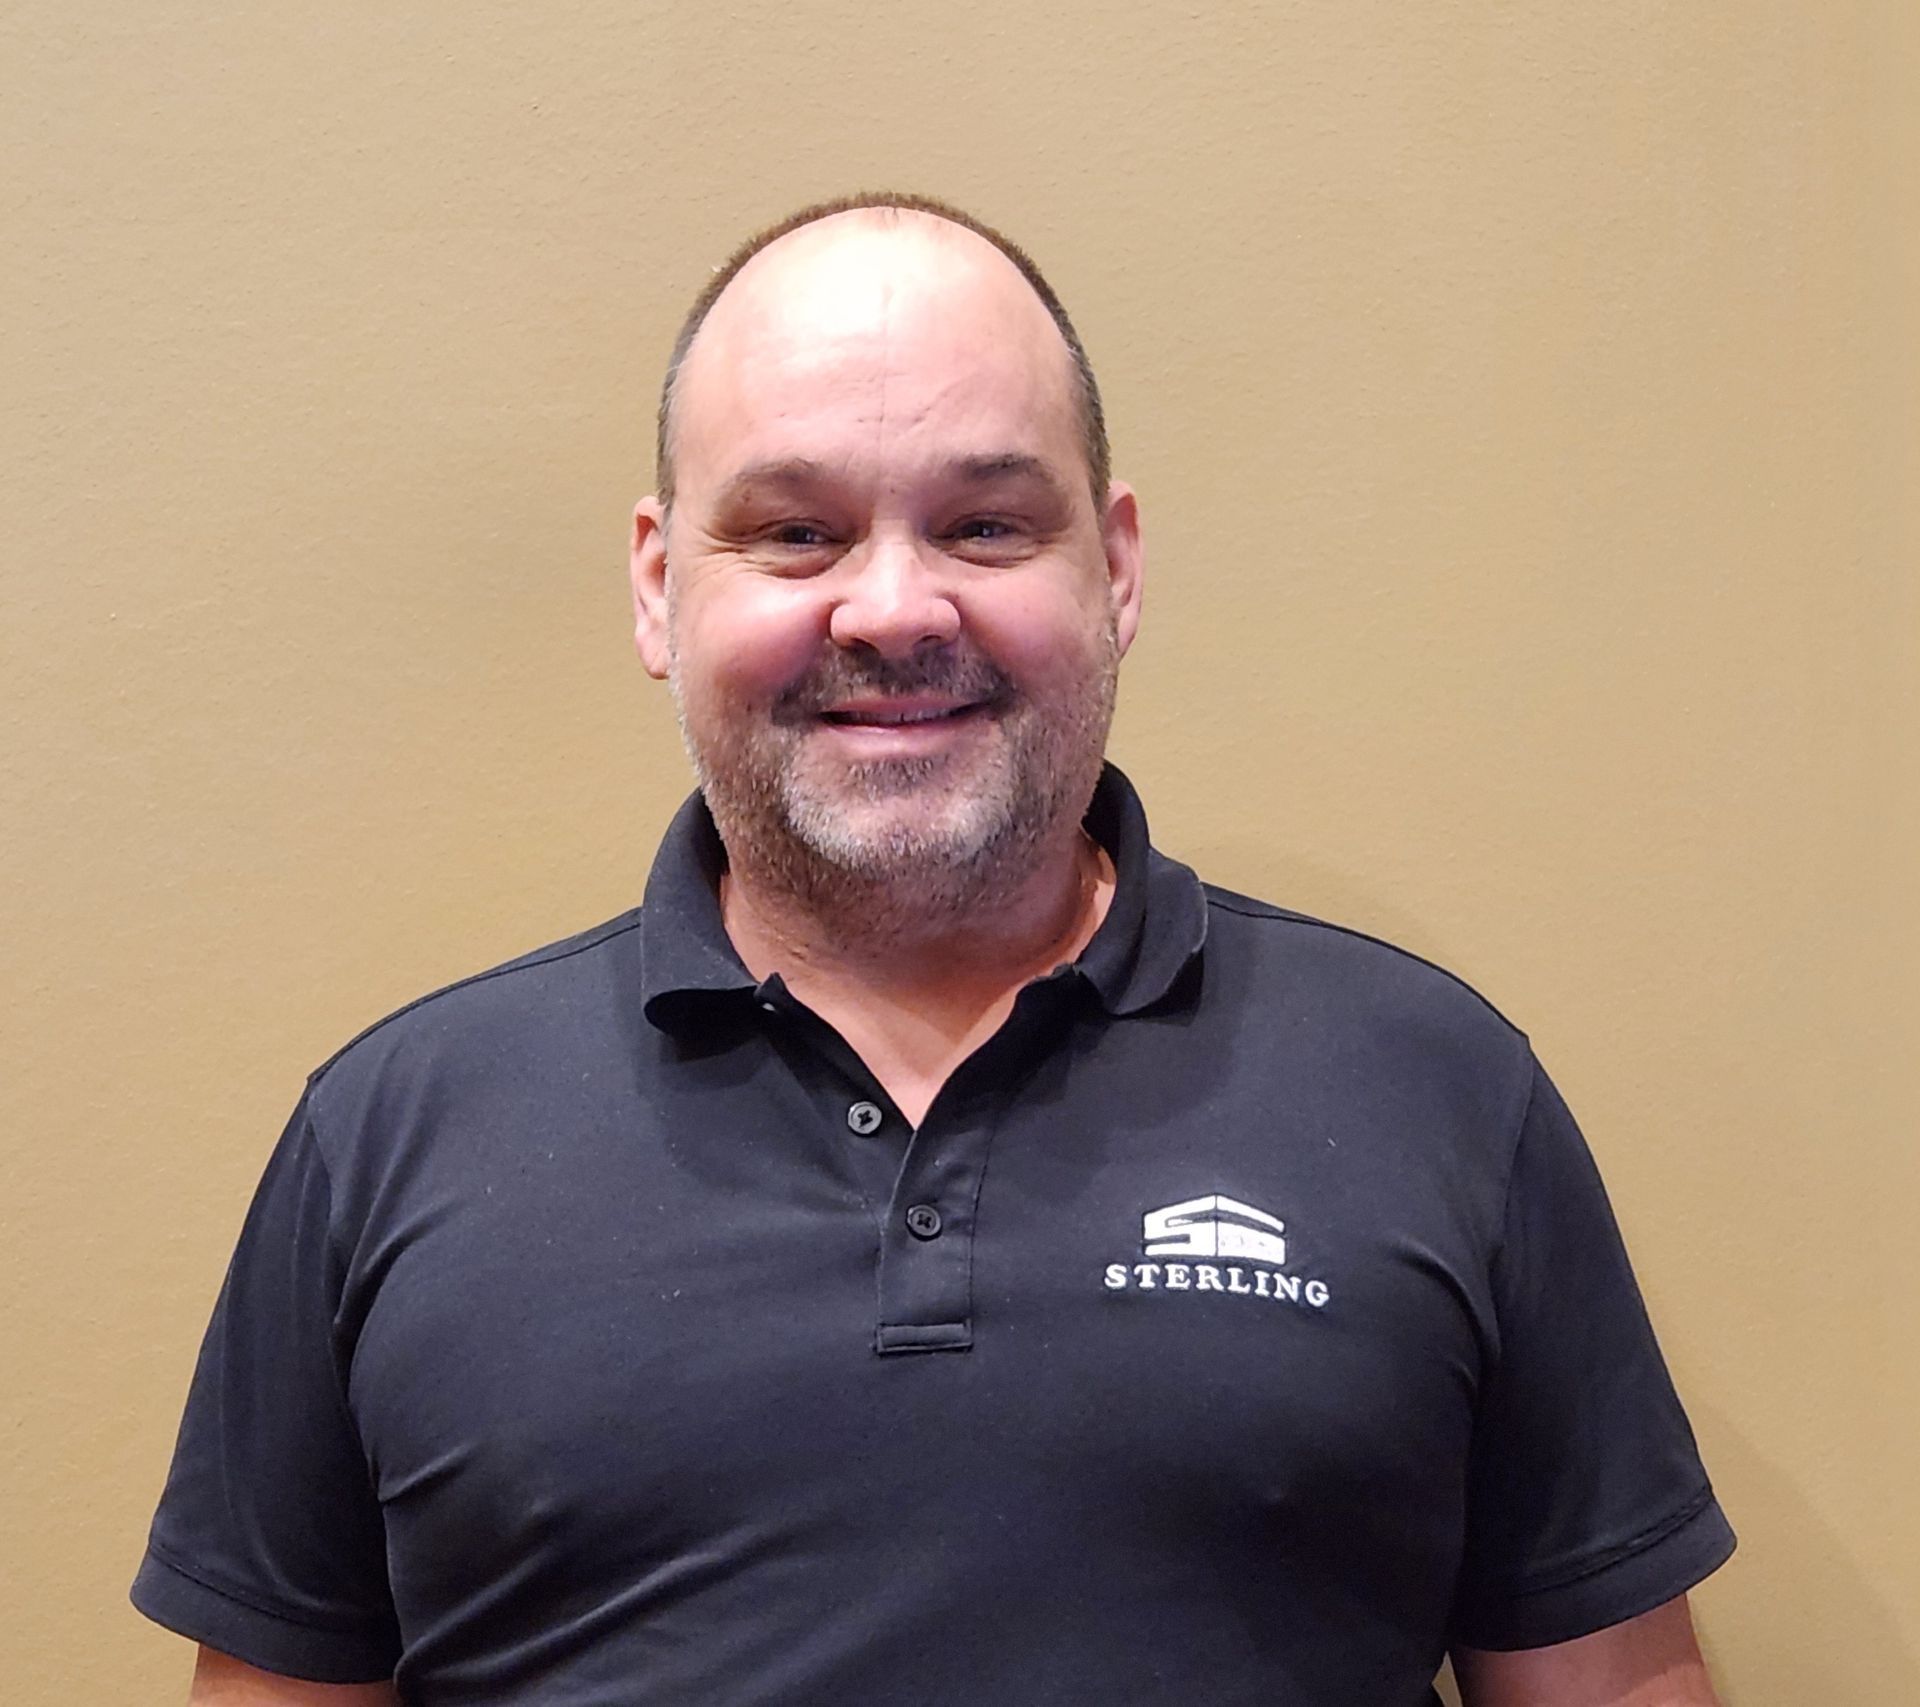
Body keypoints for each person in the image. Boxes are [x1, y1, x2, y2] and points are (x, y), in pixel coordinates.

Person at [133, 194, 1735, 1706]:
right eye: (795, 533)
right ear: (657, 582)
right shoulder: (392, 1134)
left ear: (1111, 569)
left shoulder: (1436, 1088)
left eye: (982, 524)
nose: (892, 609)